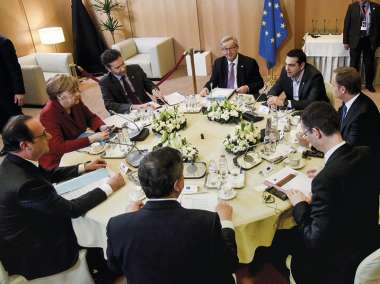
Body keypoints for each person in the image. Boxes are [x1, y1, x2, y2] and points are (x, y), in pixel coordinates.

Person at [258, 102, 379, 284]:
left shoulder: (326, 180)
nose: (306, 138)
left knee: (282, 236)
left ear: (316, 132)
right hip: (368, 235)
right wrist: (326, 172)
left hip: (338, 263)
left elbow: (313, 240)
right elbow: (350, 179)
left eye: (306, 133)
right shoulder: (365, 153)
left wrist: (300, 205)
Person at [0, 115, 125, 280]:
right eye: (44, 135)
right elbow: (72, 209)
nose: (50, 137)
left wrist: (83, 167)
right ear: (25, 145)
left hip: (29, 228)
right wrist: (110, 186)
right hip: (38, 250)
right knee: (100, 225)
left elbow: (46, 174)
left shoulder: (14, 161)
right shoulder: (24, 185)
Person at [106, 147, 238, 284]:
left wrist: (129, 219)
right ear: (177, 185)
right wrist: (226, 222)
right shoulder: (207, 222)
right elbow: (229, 263)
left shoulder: (117, 225)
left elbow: (115, 268)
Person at [39, 74, 111, 169]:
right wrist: (91, 139)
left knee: (109, 150)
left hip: (77, 145)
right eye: (73, 91)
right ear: (59, 96)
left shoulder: (75, 101)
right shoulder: (48, 114)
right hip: (59, 160)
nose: (78, 93)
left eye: (77, 89)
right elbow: (59, 147)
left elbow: (90, 117)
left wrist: (101, 127)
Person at [332, 67, 380, 156]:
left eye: (333, 85)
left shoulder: (362, 113)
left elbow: (350, 149)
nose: (332, 87)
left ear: (343, 90)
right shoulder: (350, 100)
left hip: (365, 161)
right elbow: (338, 121)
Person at [99, 49, 162, 114]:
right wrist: (134, 107)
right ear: (108, 69)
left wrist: (154, 90)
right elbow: (109, 104)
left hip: (146, 106)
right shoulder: (105, 82)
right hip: (127, 113)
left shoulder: (135, 68)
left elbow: (148, 84)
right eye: (117, 68)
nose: (123, 69)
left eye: (123, 64)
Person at [200, 35, 264, 97]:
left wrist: (247, 88)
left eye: (231, 48)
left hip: (243, 97)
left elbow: (260, 83)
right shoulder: (218, 63)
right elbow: (213, 81)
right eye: (225, 49)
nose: (228, 52)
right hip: (224, 98)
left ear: (237, 48)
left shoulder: (250, 63)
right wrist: (206, 88)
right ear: (222, 50)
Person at [343, 0, 380, 92]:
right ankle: (353, 85)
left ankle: (369, 84)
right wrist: (345, 41)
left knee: (369, 64)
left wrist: (378, 41)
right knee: (354, 64)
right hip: (355, 40)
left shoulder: (376, 7)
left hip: (369, 40)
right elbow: (347, 24)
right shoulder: (352, 7)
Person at [0, 35, 25, 132]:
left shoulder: (4, 43)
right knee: (2, 124)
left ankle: (27, 141)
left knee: (16, 119)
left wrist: (19, 91)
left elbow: (14, 69)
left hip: (7, 91)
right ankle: (10, 144)